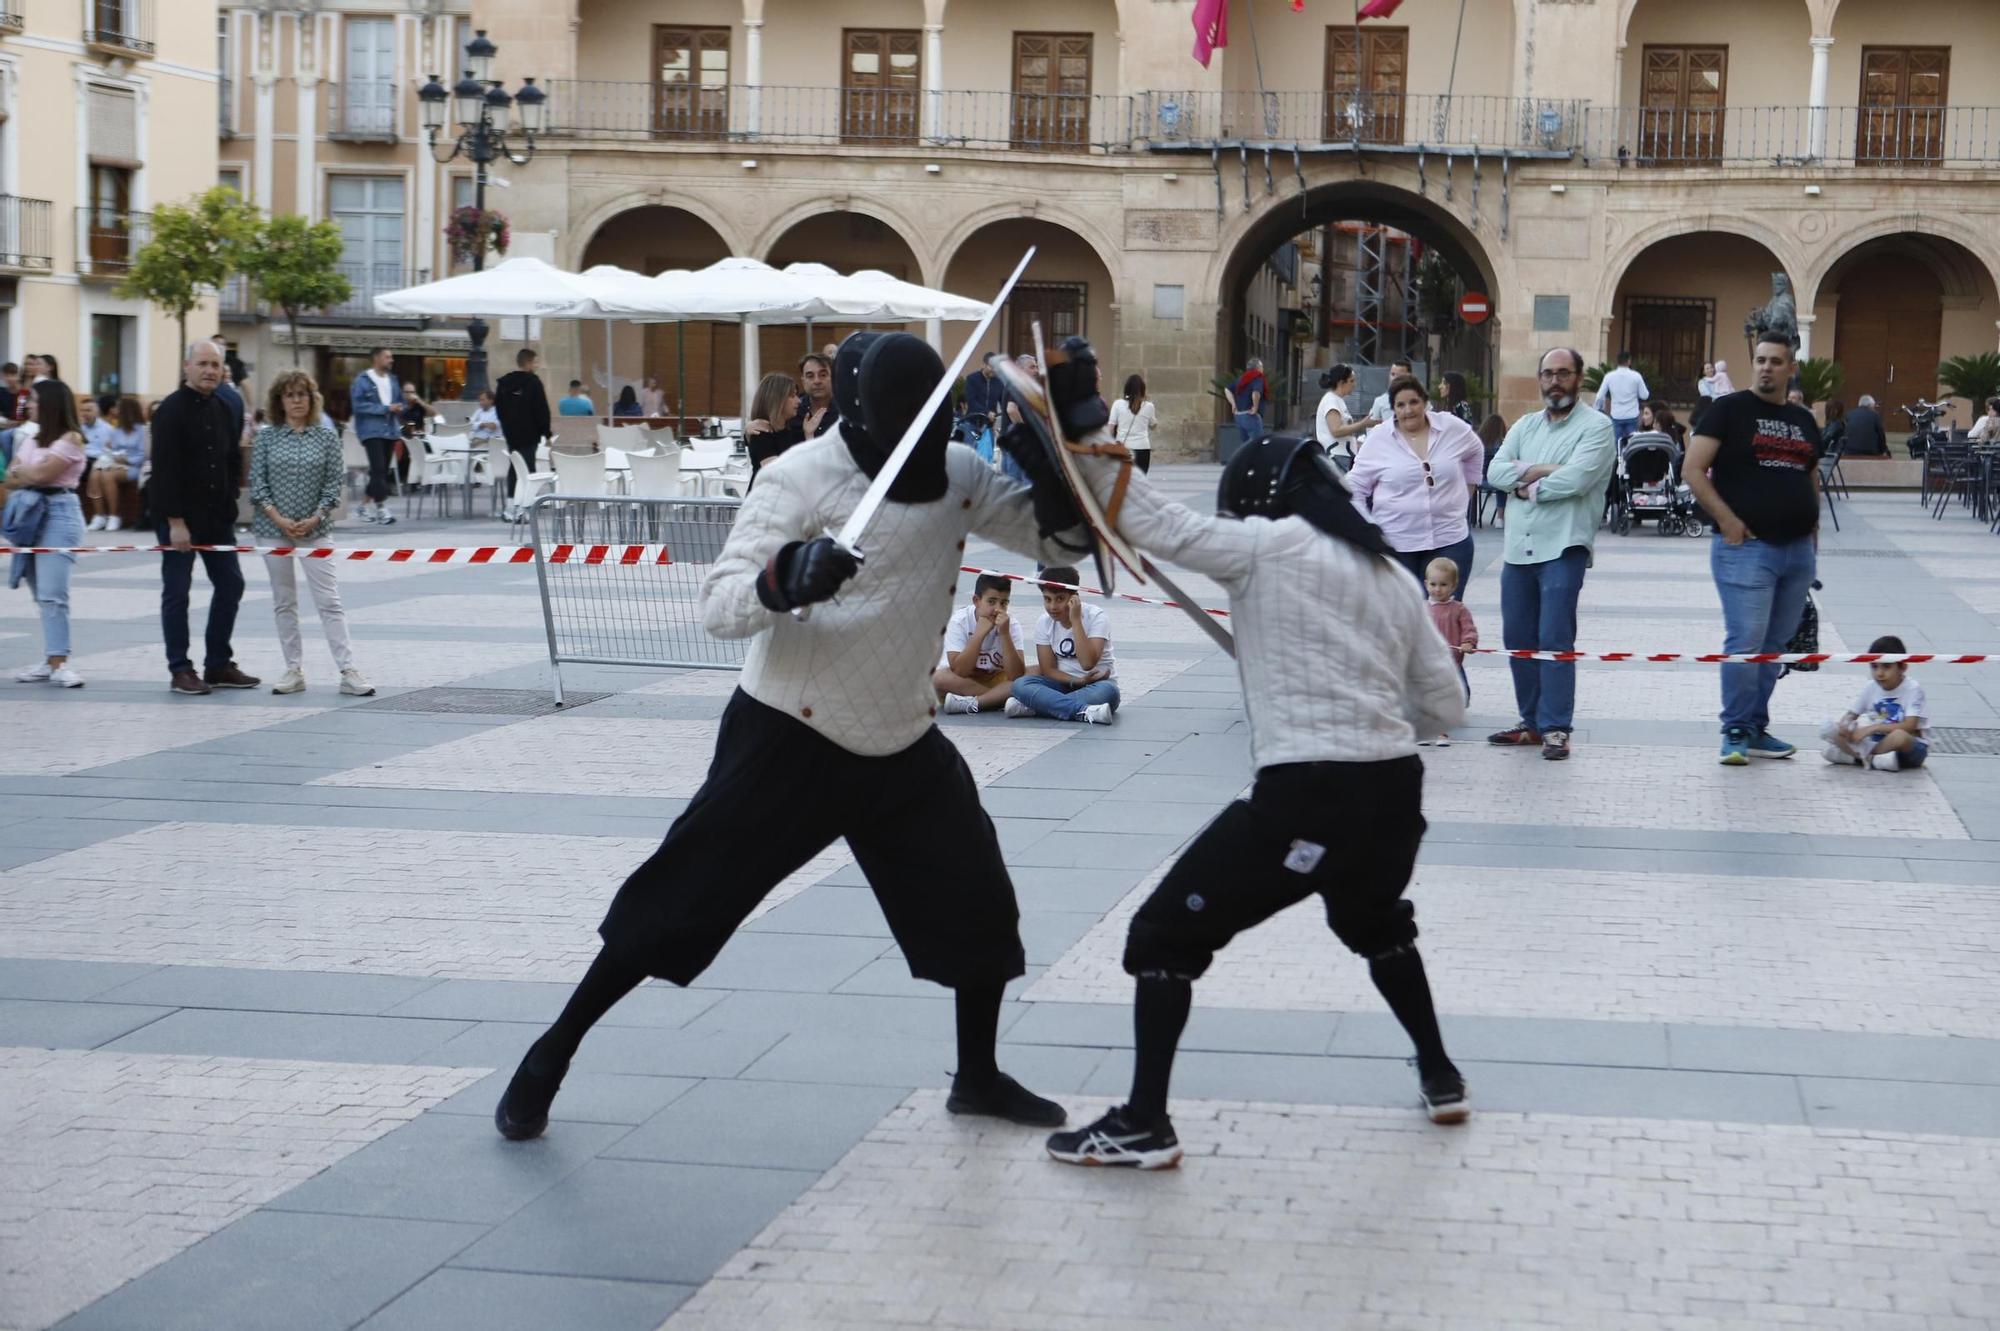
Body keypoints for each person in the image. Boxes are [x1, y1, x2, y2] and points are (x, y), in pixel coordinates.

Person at [491, 330, 1090, 1144]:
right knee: (678, 902)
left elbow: (1062, 547)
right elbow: (720, 604)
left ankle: (977, 1076)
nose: (920, 442)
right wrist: (788, 575)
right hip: (788, 732)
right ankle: (550, 1054)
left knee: (977, 901)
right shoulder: (797, 476)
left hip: (899, 733)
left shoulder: (955, 471)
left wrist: (1054, 464)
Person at [1044, 428, 1470, 1170]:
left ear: (1262, 502)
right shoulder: (1392, 575)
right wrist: (1364, 700)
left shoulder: (1269, 547)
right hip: (1396, 793)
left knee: (1162, 936)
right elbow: (1444, 707)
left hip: (1309, 793)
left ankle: (1145, 1122)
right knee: (1375, 920)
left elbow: (1155, 524)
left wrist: (1081, 435)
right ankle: (1441, 1074)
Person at [1685, 335, 1824, 766]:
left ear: (1790, 368)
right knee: (1746, 642)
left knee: (1775, 645)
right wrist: (1726, 519)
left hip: (1796, 552)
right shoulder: (1728, 409)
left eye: (1775, 361)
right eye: (1760, 360)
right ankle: (1734, 729)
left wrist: (1813, 538)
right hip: (1747, 550)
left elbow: (1810, 477)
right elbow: (1692, 468)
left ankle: (1756, 725)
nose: (1765, 367)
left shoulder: (1803, 419)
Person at [1484, 347, 1618, 762]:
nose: (1555, 381)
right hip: (1518, 550)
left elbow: (1577, 480)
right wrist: (1543, 472)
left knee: (1554, 638)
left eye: (1564, 373)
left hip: (1564, 546)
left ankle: (1556, 727)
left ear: (1579, 378)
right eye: (1548, 373)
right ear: (1539, 378)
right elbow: (1493, 472)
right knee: (1518, 639)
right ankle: (1531, 723)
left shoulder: (1597, 427)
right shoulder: (1524, 425)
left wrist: (1526, 480)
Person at [251, 371, 373, 698]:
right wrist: (278, 518)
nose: (296, 401)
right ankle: (293, 668)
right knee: (284, 600)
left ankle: (348, 669)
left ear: (312, 398)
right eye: (289, 395)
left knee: (329, 599)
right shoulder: (266, 437)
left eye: (301, 394)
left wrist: (316, 515)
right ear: (279, 400)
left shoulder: (326, 436)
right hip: (272, 529)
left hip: (315, 527)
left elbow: (335, 483)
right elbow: (257, 484)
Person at [148, 341, 259, 697]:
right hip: (177, 517)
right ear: (187, 366)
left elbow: (230, 459)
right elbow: (164, 470)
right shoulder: (169, 410)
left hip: (217, 516)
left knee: (231, 585)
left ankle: (217, 663)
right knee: (178, 593)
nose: (210, 370)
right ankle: (180, 669)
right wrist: (176, 522)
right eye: (203, 364)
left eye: (215, 365)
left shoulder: (227, 404)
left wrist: (231, 503)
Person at [1347, 374, 1485, 599]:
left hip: (1449, 539)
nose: (1408, 410)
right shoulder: (1379, 439)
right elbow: (1355, 487)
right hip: (1398, 544)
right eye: (1400, 405)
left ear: (1425, 402)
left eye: (1414, 402)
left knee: (1445, 617)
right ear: (1393, 409)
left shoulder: (1451, 427)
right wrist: (1367, 528)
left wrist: (1470, 487)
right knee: (1405, 619)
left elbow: (1476, 450)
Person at [6, 381, 88, 687]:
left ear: (52, 404)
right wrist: (28, 473)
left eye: (36, 400)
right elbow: (11, 477)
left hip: (59, 513)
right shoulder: (33, 438)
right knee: (40, 593)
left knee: (54, 593)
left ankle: (60, 662)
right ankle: (51, 658)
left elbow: (39, 475)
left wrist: (25, 473)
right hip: (31, 514)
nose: (29, 405)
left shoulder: (71, 438)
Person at [1006, 566, 1119, 724]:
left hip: (1097, 685)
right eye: (1047, 599)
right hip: (1062, 684)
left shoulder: (1097, 617)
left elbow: (1087, 663)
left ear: (1074, 597)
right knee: (1020, 684)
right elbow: (1048, 669)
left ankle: (1037, 707)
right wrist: (1077, 681)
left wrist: (1076, 621)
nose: (1052, 607)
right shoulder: (1043, 622)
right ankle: (1084, 711)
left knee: (1109, 692)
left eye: (1060, 599)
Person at [1822, 637, 1929, 771]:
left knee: (1899, 735)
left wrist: (1872, 728)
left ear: (1903, 667)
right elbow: (1851, 714)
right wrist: (1846, 726)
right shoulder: (1871, 687)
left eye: (1886, 666)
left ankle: (1857, 756)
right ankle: (1871, 758)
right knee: (1832, 727)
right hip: (1876, 743)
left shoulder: (1912, 689)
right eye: (1874, 666)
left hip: (1910, 747)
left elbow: (1909, 726)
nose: (1879, 673)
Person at [935, 574, 1031, 715]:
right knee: (938, 678)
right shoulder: (959, 621)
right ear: (976, 600)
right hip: (965, 683)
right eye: (991, 602)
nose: (997, 609)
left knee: (1037, 672)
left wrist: (1005, 634)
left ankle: (977, 702)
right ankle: (999, 700)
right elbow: (960, 671)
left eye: (1003, 603)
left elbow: (1016, 675)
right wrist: (979, 634)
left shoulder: (1011, 625)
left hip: (997, 679)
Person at [1421, 556, 1477, 746]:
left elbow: (1468, 628)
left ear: (1454, 586)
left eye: (1443, 584)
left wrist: (1468, 642)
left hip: (1451, 663)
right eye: (1433, 584)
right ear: (1426, 584)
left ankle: (1442, 730)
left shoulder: (1458, 609)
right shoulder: (1422, 608)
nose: (1438, 589)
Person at [496, 348, 553, 522]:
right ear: (528, 363)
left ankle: (510, 506)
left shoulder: (504, 384)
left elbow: (499, 409)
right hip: (529, 434)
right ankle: (524, 508)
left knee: (515, 468)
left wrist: (507, 427)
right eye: (535, 361)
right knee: (528, 470)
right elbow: (541, 410)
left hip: (511, 434)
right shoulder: (533, 383)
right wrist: (546, 432)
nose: (537, 365)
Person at [347, 346, 401, 526]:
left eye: (391, 357)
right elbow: (359, 406)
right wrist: (385, 409)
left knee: (381, 471)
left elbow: (399, 401)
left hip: (390, 430)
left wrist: (401, 407)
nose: (391, 360)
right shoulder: (362, 380)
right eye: (388, 357)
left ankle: (362, 507)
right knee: (378, 468)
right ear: (376, 359)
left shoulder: (393, 380)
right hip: (371, 431)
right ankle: (381, 508)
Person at [81, 396, 145, 531]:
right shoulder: (118, 430)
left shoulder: (141, 430)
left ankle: (114, 516)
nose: (115, 411)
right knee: (95, 473)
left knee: (107, 475)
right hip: (116, 462)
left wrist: (126, 459)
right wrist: (110, 449)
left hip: (134, 466)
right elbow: (112, 449)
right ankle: (99, 516)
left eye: (119, 409)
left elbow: (143, 455)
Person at [743, 371, 801, 474]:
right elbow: (776, 474)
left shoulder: (791, 429)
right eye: (792, 396)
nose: (798, 401)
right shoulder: (762, 432)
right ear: (778, 400)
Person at [1314, 364, 1375, 461]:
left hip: (1344, 455)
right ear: (1341, 383)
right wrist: (1363, 424)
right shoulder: (1331, 401)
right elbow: (1336, 430)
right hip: (1337, 456)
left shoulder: (1338, 400)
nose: (1354, 385)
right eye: (1351, 381)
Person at [1593, 350, 1650, 445]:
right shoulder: (1636, 376)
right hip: (1632, 415)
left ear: (1617, 361)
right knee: (1632, 445)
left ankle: (1618, 459)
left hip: (1616, 416)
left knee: (1617, 446)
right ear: (1629, 361)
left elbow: (1599, 396)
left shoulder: (1609, 376)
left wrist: (1598, 409)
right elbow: (1644, 396)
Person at [1108, 373, 1156, 473]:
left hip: (1123, 448)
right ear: (1143, 389)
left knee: (1122, 480)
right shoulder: (1149, 406)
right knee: (1140, 481)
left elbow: (1110, 428)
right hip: (1143, 448)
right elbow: (1153, 425)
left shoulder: (1118, 404)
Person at [1231, 358, 1265, 444]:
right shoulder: (1257, 378)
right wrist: (1255, 407)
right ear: (1258, 368)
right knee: (1257, 445)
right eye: (1261, 366)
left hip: (1239, 416)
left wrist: (1233, 404)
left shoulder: (1241, 379)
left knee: (1246, 445)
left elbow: (1227, 389)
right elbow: (1256, 392)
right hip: (1251, 416)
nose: (1262, 369)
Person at [962, 352, 1001, 427]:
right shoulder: (972, 379)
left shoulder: (999, 383)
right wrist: (987, 412)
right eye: (991, 366)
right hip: (972, 423)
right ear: (983, 364)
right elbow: (971, 401)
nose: (994, 370)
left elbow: (1004, 402)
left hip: (989, 425)